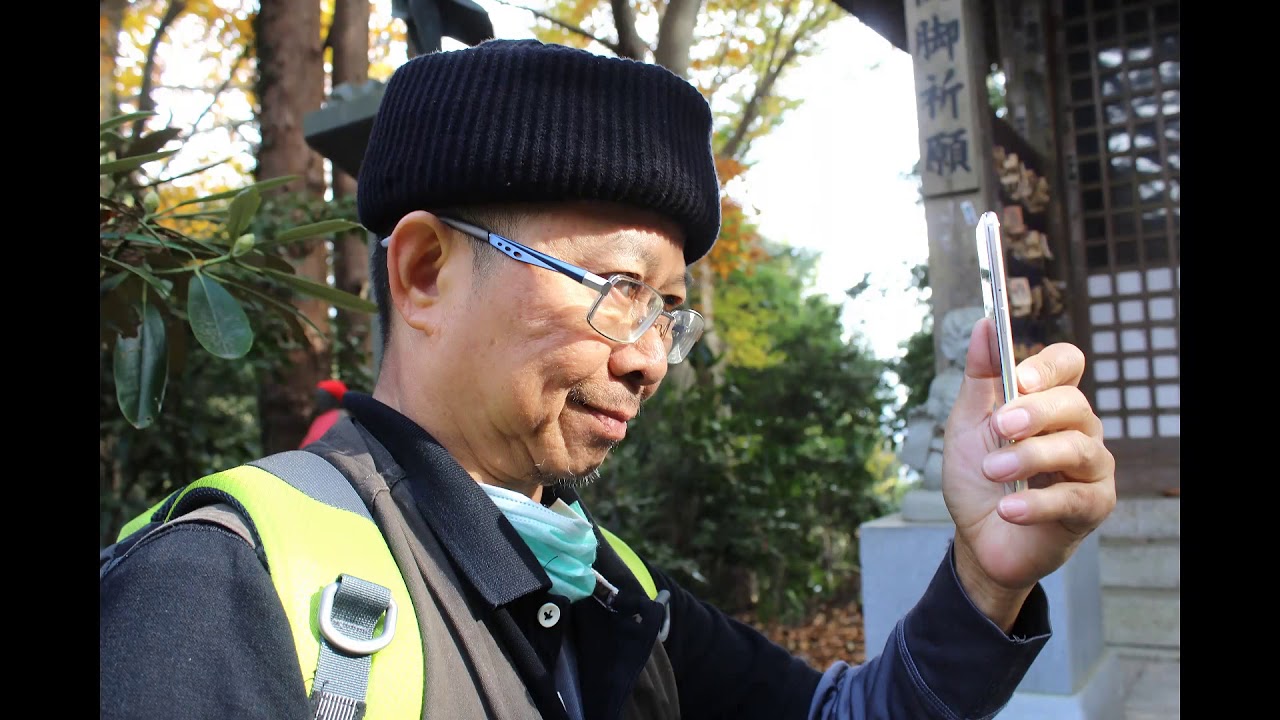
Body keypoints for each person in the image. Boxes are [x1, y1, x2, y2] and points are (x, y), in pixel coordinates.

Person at [99, 38, 1116, 720]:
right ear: (424, 272)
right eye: (617, 288)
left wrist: (987, 578)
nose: (646, 357)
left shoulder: (609, 586)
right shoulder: (222, 589)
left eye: (666, 309)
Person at [299, 378, 349, 448]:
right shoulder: (319, 417)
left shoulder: (341, 416)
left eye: (322, 398)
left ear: (333, 399)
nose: (318, 401)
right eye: (318, 397)